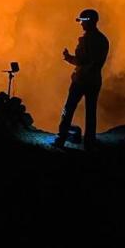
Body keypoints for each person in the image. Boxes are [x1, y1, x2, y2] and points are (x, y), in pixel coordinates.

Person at [53, 9, 109, 149]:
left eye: (83, 21)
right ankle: (89, 142)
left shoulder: (86, 40)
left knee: (68, 108)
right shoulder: (103, 39)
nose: (81, 24)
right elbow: (94, 62)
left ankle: (61, 137)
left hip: (81, 80)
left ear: (90, 21)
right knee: (91, 112)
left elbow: (81, 60)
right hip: (94, 81)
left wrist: (68, 58)